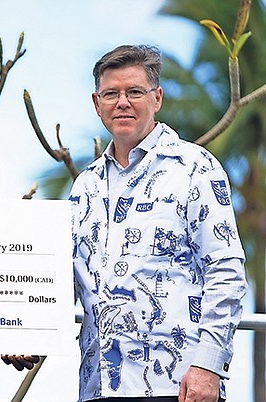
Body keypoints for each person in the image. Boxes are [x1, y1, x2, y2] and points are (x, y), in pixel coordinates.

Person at [69, 44, 248, 402]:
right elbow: (65, 281)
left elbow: (225, 270)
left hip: (178, 386)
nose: (122, 102)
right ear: (96, 102)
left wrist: (208, 367)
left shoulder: (196, 167)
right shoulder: (84, 186)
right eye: (110, 94)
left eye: (134, 91)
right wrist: (26, 335)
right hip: (97, 387)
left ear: (157, 98)